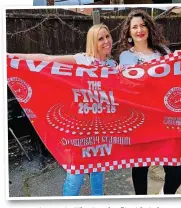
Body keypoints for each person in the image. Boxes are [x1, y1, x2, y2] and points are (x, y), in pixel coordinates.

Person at [11, 24, 116, 196]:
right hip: (80, 129)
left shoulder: (113, 65)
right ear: (92, 42)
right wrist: (11, 57)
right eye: (100, 38)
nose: (106, 41)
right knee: (76, 175)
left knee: (98, 172)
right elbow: (47, 59)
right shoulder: (83, 59)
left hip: (101, 129)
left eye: (108, 36)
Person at [118, 9, 181, 195]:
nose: (139, 30)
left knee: (175, 169)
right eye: (134, 27)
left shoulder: (164, 51)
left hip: (166, 119)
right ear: (128, 32)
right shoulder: (126, 57)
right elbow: (128, 89)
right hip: (142, 119)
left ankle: (166, 198)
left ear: (149, 28)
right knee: (140, 167)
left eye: (143, 25)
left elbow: (179, 83)